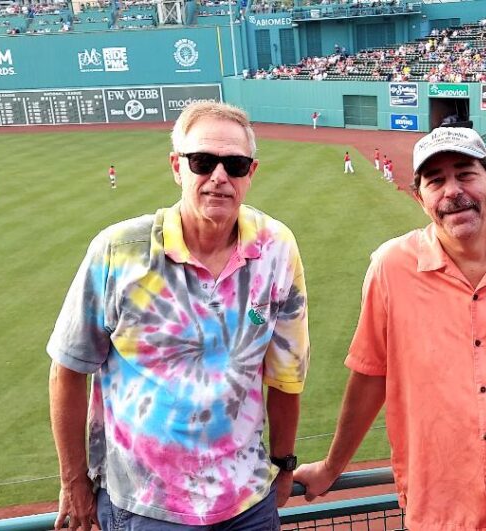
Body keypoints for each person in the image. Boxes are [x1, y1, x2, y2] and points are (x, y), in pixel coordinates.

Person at [294, 127, 486, 530]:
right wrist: (332, 467)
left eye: (465, 174)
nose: (452, 190)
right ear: (420, 196)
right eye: (435, 180)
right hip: (443, 513)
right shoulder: (390, 269)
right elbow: (370, 375)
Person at [48, 102, 310, 531]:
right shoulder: (119, 250)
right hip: (146, 506)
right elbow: (67, 369)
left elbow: (287, 375)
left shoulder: (277, 247)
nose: (219, 177)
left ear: (251, 172)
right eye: (203, 162)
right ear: (177, 166)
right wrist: (73, 481)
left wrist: (283, 464)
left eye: (235, 164)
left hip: (247, 502)